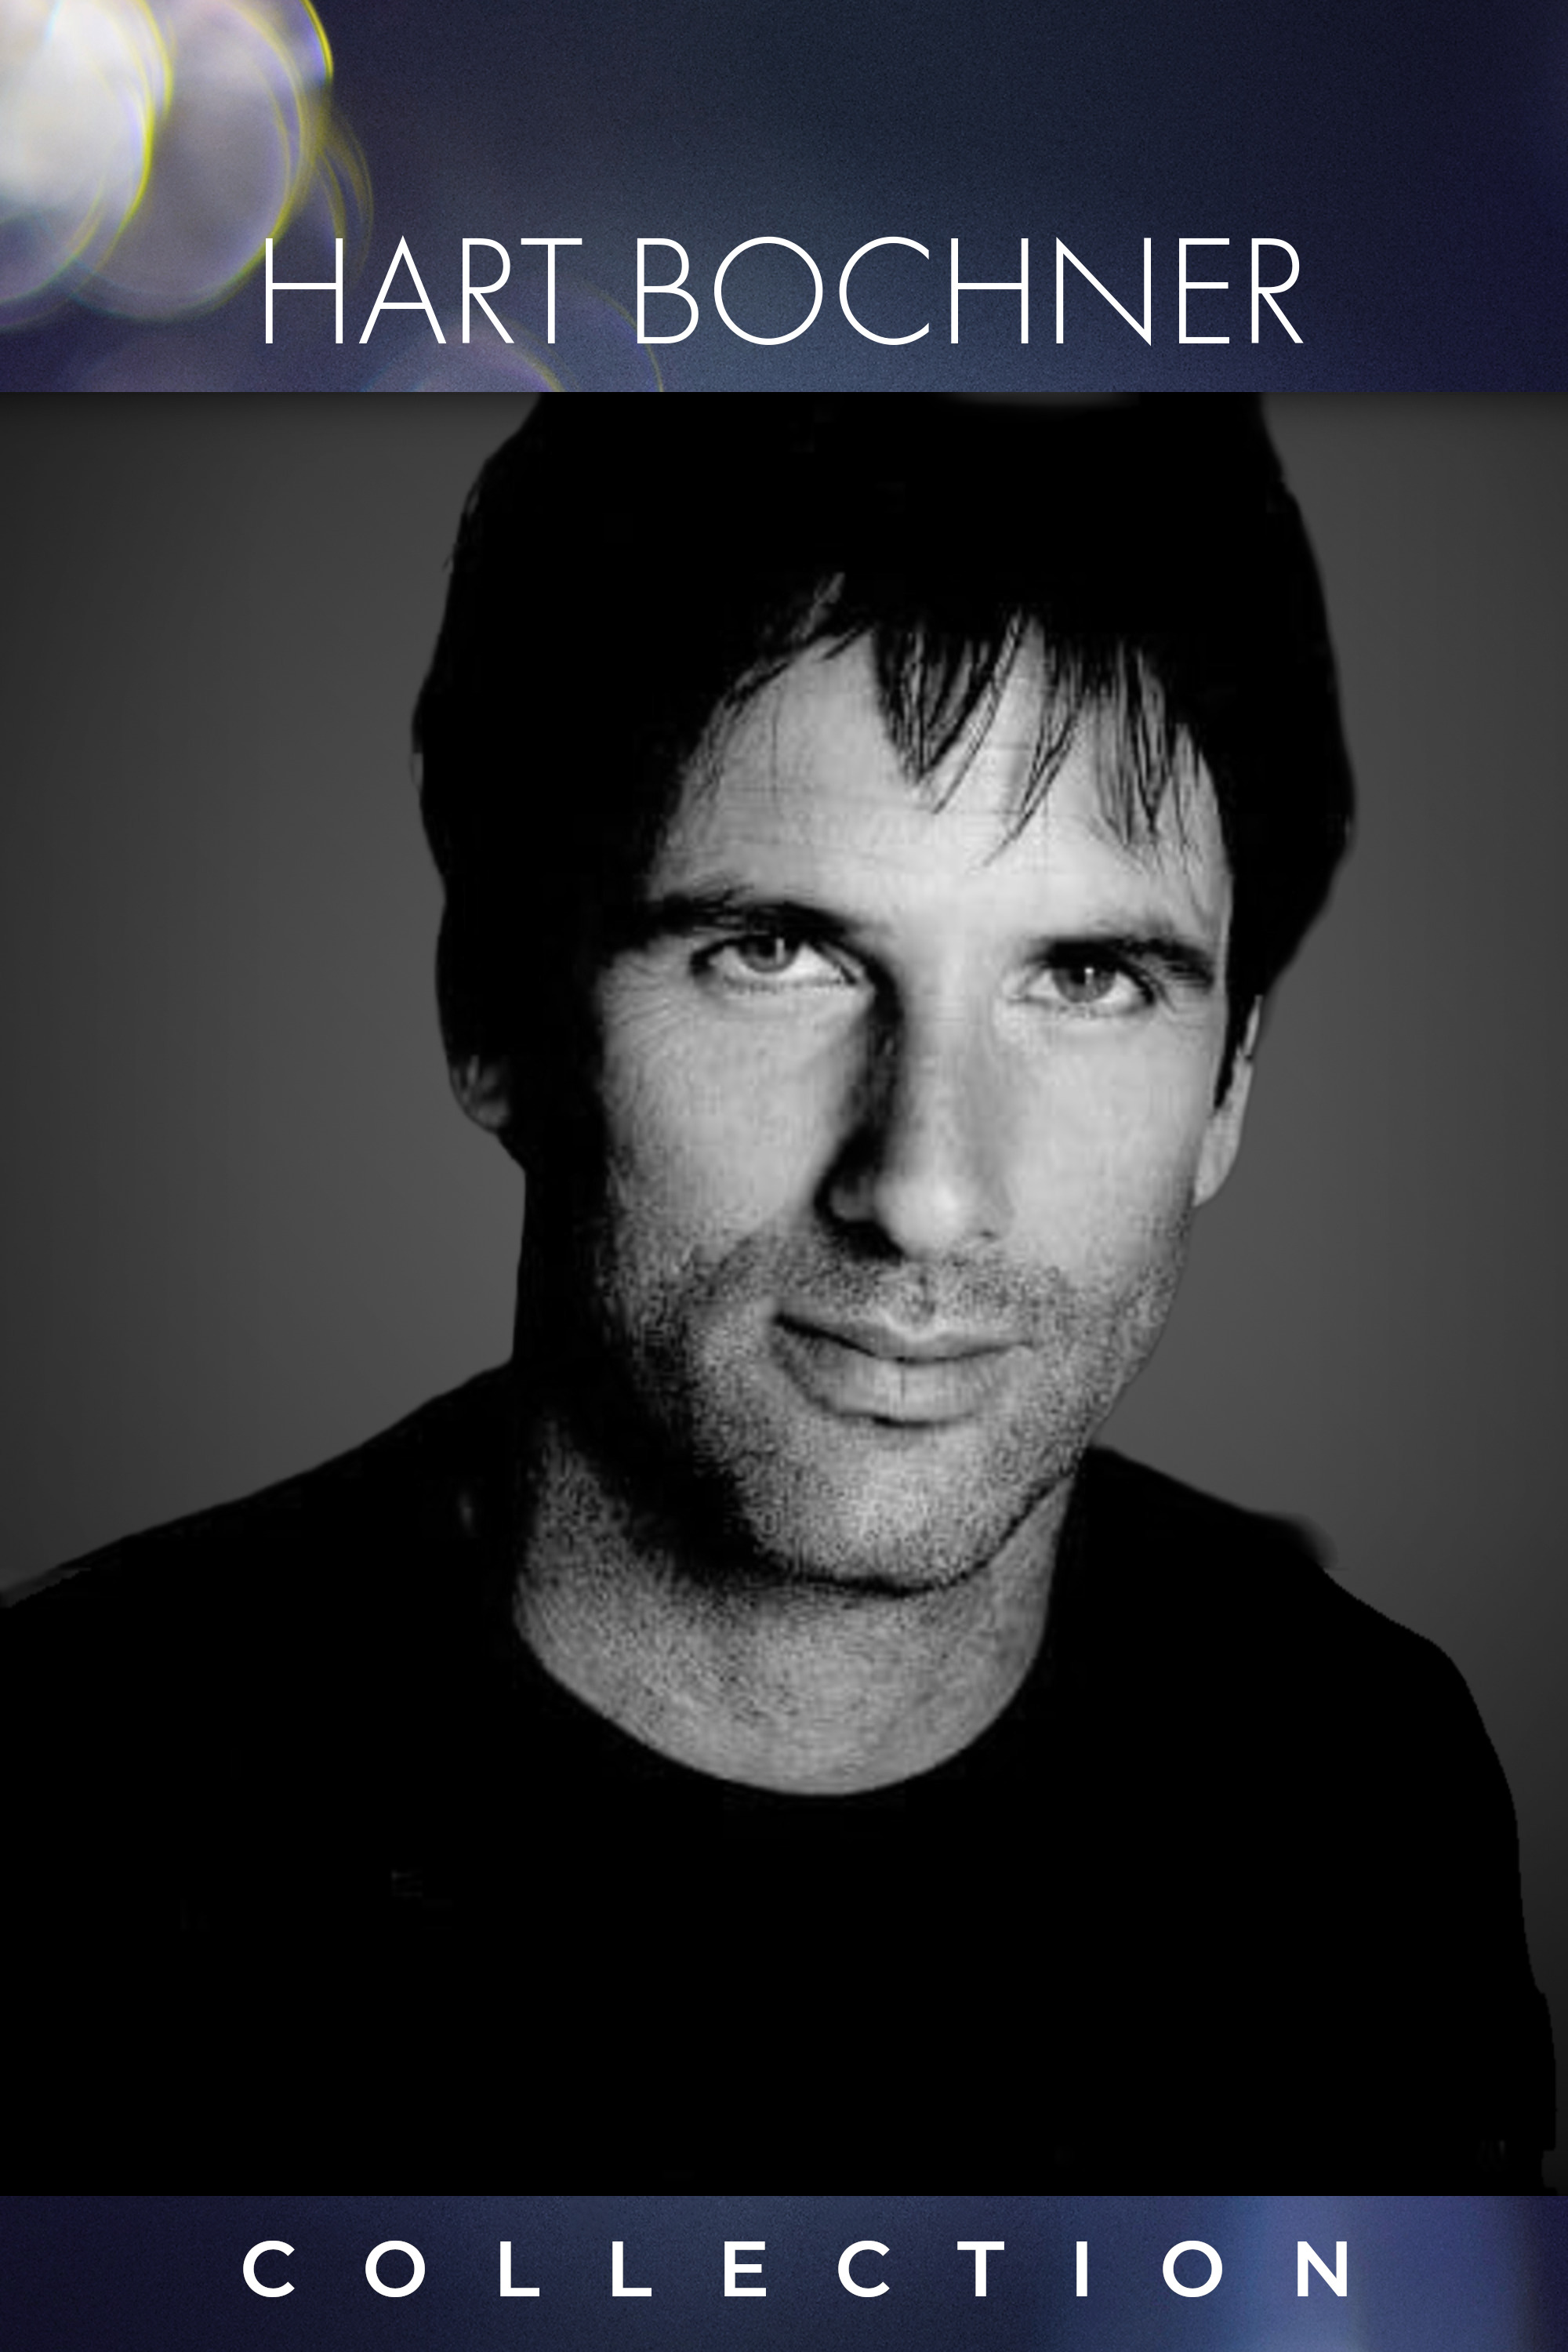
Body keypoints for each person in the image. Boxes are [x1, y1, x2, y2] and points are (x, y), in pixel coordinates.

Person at [4, 395, 1552, 2188]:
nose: (925, 1188)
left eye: (1089, 979)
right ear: (498, 1013)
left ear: (1229, 1089)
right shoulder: (62, 1822)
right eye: (776, 951)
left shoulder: (1364, 1784)